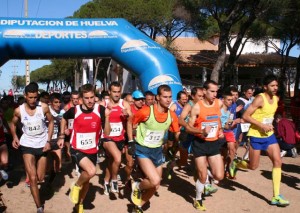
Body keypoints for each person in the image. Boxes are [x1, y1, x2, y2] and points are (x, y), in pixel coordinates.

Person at [231, 74, 289, 207]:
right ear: (265, 87)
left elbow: (268, 116)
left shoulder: (276, 99)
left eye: (276, 85)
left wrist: (270, 124)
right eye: (272, 85)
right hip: (256, 135)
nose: (275, 88)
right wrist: (261, 125)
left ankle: (276, 196)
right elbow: (246, 115)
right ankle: (236, 164)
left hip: (269, 135)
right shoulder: (259, 99)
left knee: (277, 161)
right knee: (253, 166)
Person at [57, 84, 111, 213]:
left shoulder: (101, 110)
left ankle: (79, 205)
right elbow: (63, 119)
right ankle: (75, 185)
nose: (90, 100)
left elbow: (107, 133)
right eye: (86, 98)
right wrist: (61, 136)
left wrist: (107, 117)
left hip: (92, 150)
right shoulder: (75, 110)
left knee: (86, 180)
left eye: (92, 97)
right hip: (77, 149)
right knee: (91, 171)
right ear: (81, 98)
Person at [131, 85, 180, 213]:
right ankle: (137, 186)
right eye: (165, 97)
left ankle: (139, 206)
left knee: (156, 185)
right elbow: (132, 123)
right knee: (155, 180)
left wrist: (183, 136)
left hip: (157, 151)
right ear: (158, 97)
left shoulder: (172, 115)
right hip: (143, 150)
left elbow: (176, 133)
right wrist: (131, 141)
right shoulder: (146, 111)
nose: (168, 100)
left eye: (170, 97)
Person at [10, 82, 54, 213]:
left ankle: (40, 186)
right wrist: (15, 137)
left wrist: (48, 141)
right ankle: (39, 206)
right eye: (30, 97)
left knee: (40, 177)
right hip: (27, 145)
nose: (33, 100)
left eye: (35, 97)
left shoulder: (44, 107)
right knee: (33, 178)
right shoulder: (19, 110)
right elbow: (12, 124)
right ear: (25, 96)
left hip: (42, 145)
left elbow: (51, 122)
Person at [188, 80, 225, 211]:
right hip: (200, 144)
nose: (215, 94)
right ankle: (198, 199)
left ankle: (206, 173)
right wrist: (201, 131)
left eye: (216, 91)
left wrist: (220, 130)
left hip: (214, 144)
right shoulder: (197, 107)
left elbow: (218, 118)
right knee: (202, 176)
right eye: (212, 91)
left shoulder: (219, 103)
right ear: (204, 91)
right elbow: (189, 128)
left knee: (219, 176)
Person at [102, 82, 133, 195]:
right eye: (114, 92)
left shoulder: (124, 104)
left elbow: (131, 120)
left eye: (118, 92)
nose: (116, 94)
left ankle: (106, 181)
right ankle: (114, 179)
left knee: (111, 162)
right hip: (107, 137)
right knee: (118, 159)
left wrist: (127, 115)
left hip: (120, 138)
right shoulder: (103, 103)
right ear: (109, 92)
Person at [46, 93, 63, 183]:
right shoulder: (46, 111)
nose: (58, 104)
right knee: (47, 167)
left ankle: (51, 180)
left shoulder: (62, 112)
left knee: (58, 166)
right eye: (55, 102)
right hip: (46, 140)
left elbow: (63, 124)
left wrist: (62, 135)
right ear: (51, 103)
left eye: (59, 102)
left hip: (56, 140)